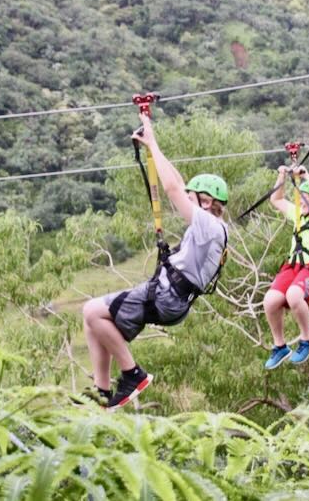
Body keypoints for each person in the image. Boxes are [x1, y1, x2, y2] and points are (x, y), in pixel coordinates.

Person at [81, 112, 229, 410]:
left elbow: (173, 189)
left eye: (194, 196)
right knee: (94, 321)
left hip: (167, 296)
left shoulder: (209, 226)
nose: (187, 197)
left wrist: (153, 142)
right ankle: (102, 390)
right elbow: (178, 182)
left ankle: (133, 374)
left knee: (92, 311)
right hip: (172, 298)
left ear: (208, 201)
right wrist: (152, 144)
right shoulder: (212, 229)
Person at [263, 165, 309, 369]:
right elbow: (276, 199)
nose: (301, 201)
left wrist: (306, 177)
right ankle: (280, 346)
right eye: (300, 197)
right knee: (270, 301)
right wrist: (281, 175)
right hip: (293, 267)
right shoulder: (297, 214)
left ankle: (307, 339)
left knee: (294, 295)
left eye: (305, 198)